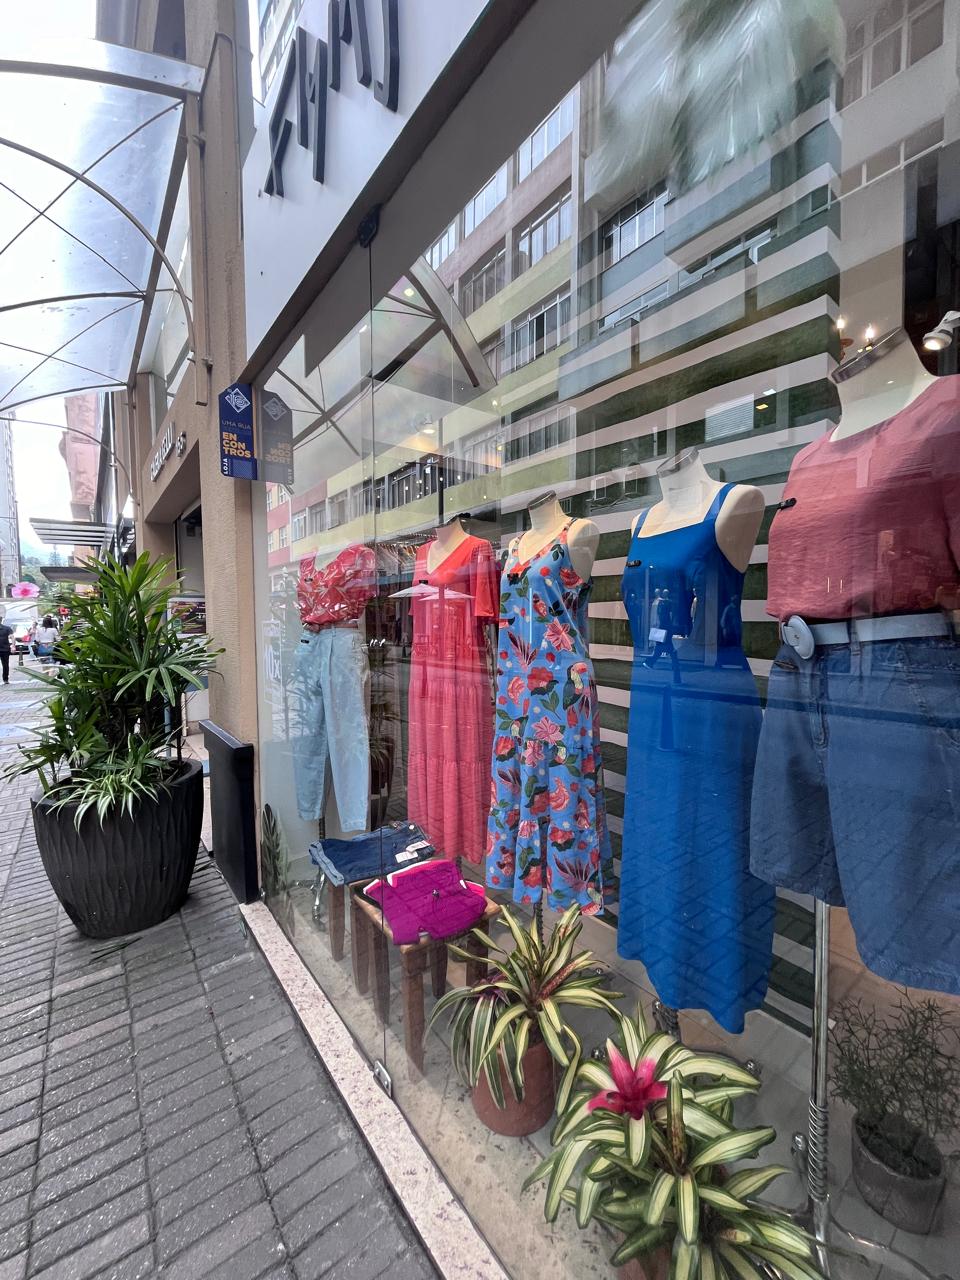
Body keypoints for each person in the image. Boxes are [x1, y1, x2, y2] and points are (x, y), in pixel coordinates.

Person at [0, 617, 11, 684]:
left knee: (5, 665)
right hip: (5, 649)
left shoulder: (7, 628)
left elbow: (12, 636)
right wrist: (13, 645)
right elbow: (12, 636)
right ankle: (5, 679)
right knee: (5, 665)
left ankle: (5, 679)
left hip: (5, 649)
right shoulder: (7, 628)